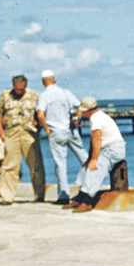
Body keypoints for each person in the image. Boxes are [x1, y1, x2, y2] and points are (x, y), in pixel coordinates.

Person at [35, 69, 89, 205]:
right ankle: (87, 187)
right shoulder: (66, 92)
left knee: (61, 165)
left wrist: (46, 129)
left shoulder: (45, 95)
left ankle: (64, 195)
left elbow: (40, 114)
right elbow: (80, 107)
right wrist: (76, 120)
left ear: (43, 82)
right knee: (85, 158)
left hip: (55, 132)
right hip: (70, 130)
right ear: (54, 79)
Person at [0, 74, 46, 205]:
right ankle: (7, 197)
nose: (19, 92)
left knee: (35, 165)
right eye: (17, 89)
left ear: (25, 86)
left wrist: (38, 124)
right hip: (11, 132)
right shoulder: (5, 95)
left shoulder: (35, 95)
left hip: (29, 133)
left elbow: (43, 112)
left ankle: (39, 195)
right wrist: (0, 132)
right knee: (10, 165)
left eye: (21, 89)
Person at [69, 97, 126, 213]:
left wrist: (94, 159)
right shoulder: (96, 117)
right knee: (86, 166)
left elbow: (97, 140)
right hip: (107, 148)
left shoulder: (96, 118)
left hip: (113, 149)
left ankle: (87, 201)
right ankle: (80, 196)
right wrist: (90, 158)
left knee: (95, 168)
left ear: (85, 110)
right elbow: (93, 140)